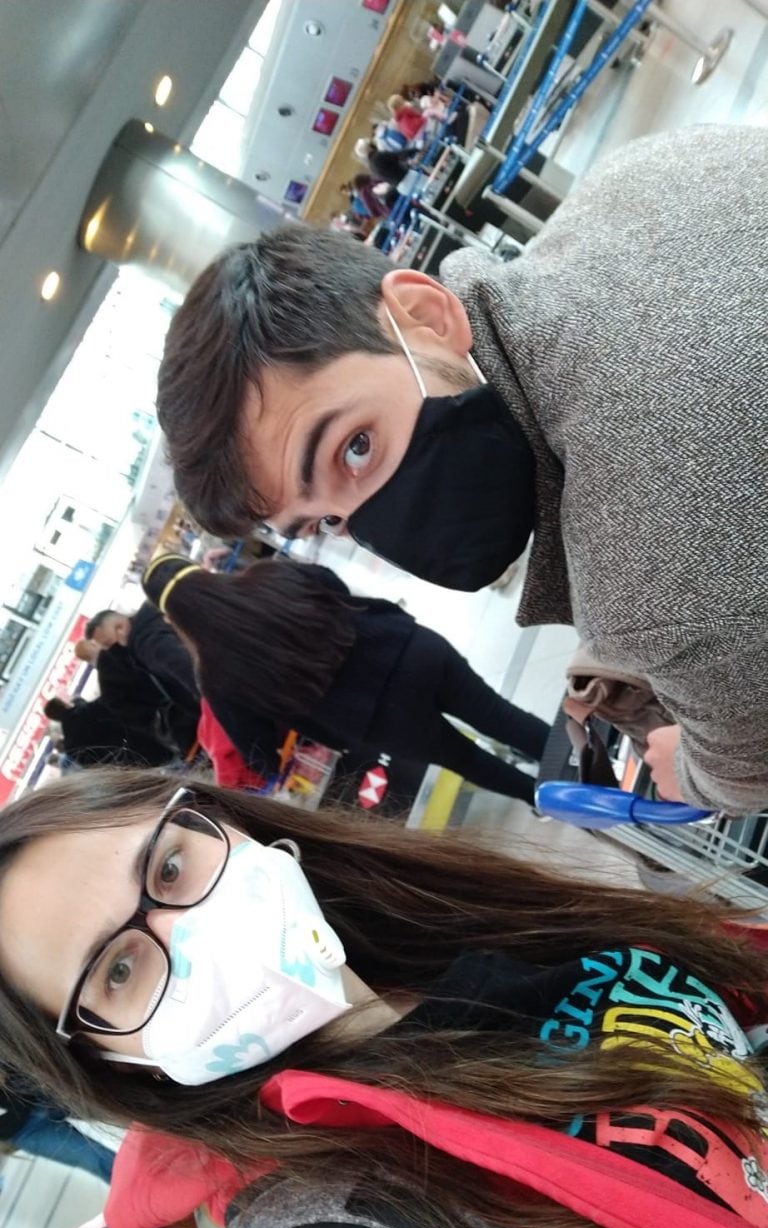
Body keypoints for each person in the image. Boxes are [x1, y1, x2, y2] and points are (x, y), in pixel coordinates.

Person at [2, 770, 768, 1228]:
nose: (188, 929)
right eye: (118, 970)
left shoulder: (431, 923)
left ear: (221, 821)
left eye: (170, 868)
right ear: (104, 1065)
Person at [155, 125, 768, 817]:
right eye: (328, 520)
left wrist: (686, 768)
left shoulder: (646, 577)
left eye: (356, 447)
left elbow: (749, 770)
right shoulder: (638, 170)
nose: (376, 524)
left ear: (424, 315)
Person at [142, 553, 548, 804]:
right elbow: (333, 586)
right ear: (201, 570)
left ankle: (563, 802)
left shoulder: (215, 675)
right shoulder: (269, 575)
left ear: (171, 618)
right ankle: (594, 764)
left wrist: (285, 703)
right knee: (499, 715)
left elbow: (261, 753)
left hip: (381, 720)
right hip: (408, 649)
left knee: (467, 760)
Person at [85, 604, 200, 755]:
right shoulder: (156, 610)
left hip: (203, 714)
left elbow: (191, 673)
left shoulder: (144, 643)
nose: (112, 648)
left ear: (119, 627)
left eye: (108, 643)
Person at [42, 694, 172, 769]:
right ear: (65, 704)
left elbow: (95, 767)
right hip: (145, 740)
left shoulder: (71, 747)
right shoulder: (90, 709)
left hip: (132, 764)